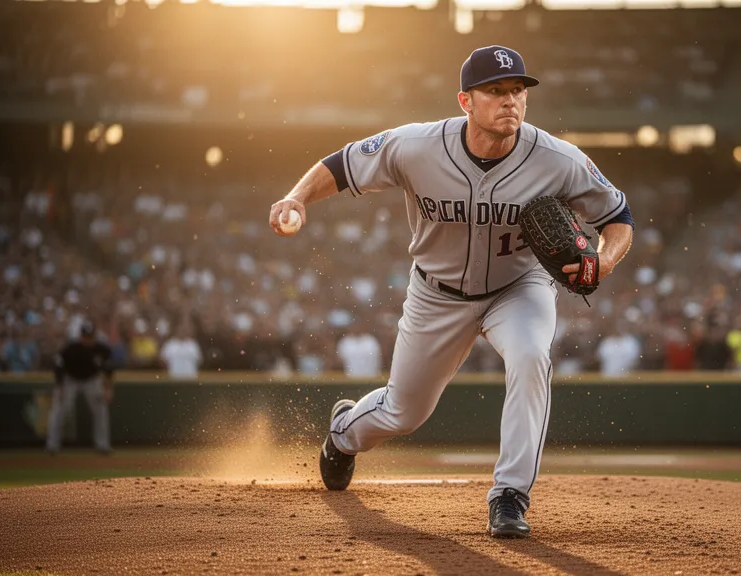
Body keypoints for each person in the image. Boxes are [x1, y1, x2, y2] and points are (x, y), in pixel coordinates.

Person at [269, 45, 634, 539]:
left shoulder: (557, 158)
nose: (511, 101)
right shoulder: (416, 145)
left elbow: (618, 218)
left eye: (518, 91)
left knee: (530, 357)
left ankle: (510, 495)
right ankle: (344, 433)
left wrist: (605, 260)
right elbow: (341, 165)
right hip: (436, 293)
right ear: (465, 100)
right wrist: (296, 196)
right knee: (404, 412)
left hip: (518, 286)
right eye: (496, 91)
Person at [46, 321, 115, 455]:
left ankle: (103, 445)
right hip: (70, 380)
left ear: (94, 336)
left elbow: (109, 370)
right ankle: (52, 445)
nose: (87, 339)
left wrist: (108, 389)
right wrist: (60, 388)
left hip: (92, 380)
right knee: (59, 410)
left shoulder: (102, 349)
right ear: (80, 336)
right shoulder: (71, 349)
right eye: (85, 336)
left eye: (90, 336)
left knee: (101, 409)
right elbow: (58, 367)